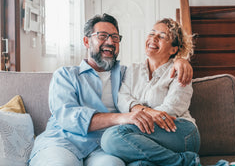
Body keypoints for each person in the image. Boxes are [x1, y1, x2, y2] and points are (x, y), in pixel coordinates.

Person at [28, 13, 193, 166]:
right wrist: (122, 118)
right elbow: (68, 117)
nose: (110, 42)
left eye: (115, 37)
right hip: (62, 142)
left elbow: (159, 65)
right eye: (102, 36)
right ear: (86, 41)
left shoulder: (125, 73)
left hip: (102, 148)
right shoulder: (65, 75)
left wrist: (180, 61)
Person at [100, 18, 201, 166]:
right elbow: (122, 98)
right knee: (139, 165)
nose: (153, 38)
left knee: (111, 137)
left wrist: (140, 115)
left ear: (174, 49)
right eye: (152, 33)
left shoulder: (180, 70)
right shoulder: (133, 69)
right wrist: (145, 111)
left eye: (161, 36)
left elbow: (171, 110)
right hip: (148, 135)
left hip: (180, 131)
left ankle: (189, 162)